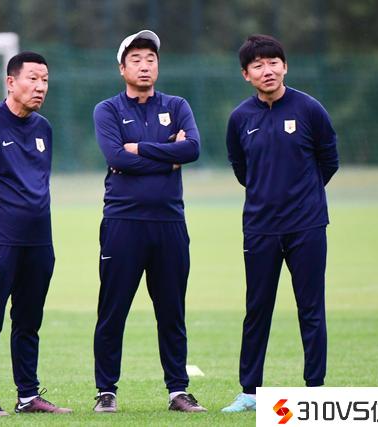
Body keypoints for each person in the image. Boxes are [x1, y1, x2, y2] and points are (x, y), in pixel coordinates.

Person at [222, 34, 339, 413]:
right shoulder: (240, 118)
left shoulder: (309, 109)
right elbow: (241, 168)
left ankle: (315, 389)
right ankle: (250, 393)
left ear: (285, 66)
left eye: (273, 62)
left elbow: (329, 160)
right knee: (257, 310)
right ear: (246, 74)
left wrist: (303, 196)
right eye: (257, 65)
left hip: (307, 225)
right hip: (260, 228)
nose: (267, 70)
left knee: (311, 309)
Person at [92, 30, 205, 413]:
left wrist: (140, 148)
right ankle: (106, 391)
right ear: (122, 68)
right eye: (136, 59)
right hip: (123, 223)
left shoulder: (177, 105)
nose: (145, 65)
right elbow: (116, 157)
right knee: (112, 311)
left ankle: (178, 391)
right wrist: (168, 156)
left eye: (151, 59)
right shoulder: (107, 110)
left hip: (169, 223)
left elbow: (192, 149)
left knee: (172, 311)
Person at [0, 51, 71, 416]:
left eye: (45, 80)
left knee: (28, 321)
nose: (40, 87)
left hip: (39, 241)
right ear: (11, 82)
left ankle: (28, 396)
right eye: (33, 79)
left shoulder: (44, 129)